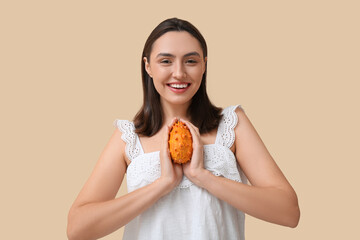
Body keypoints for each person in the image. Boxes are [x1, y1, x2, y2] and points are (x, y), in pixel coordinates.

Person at [67, 17, 300, 240]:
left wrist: (203, 177)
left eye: (191, 60)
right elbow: (77, 229)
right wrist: (162, 185)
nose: (179, 73)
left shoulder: (232, 124)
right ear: (148, 66)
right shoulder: (128, 136)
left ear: (204, 65)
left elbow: (288, 212)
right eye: (165, 61)